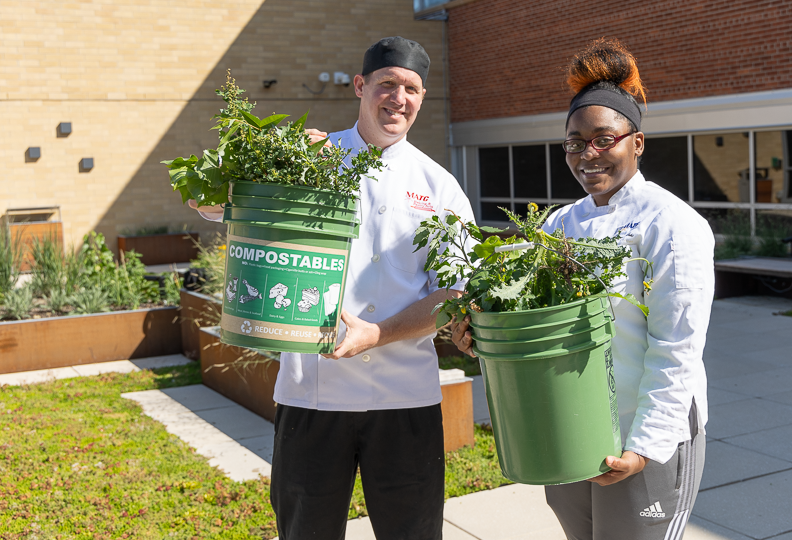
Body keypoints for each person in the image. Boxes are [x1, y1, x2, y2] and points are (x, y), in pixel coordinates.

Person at [191, 36, 474, 540]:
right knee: (305, 531)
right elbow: (228, 203)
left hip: (405, 397)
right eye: (387, 83)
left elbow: (455, 294)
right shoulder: (314, 158)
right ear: (361, 86)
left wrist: (378, 333)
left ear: (422, 98)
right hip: (311, 393)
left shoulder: (440, 186)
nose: (398, 98)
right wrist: (224, 191)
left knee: (413, 532)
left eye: (410, 88)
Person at [453, 38, 714, 539]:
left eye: (603, 139)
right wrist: (480, 334)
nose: (587, 155)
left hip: (645, 435)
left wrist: (644, 448)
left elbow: (676, 348)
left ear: (636, 142)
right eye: (575, 142)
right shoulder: (560, 223)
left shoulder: (671, 224)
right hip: (571, 427)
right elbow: (530, 320)